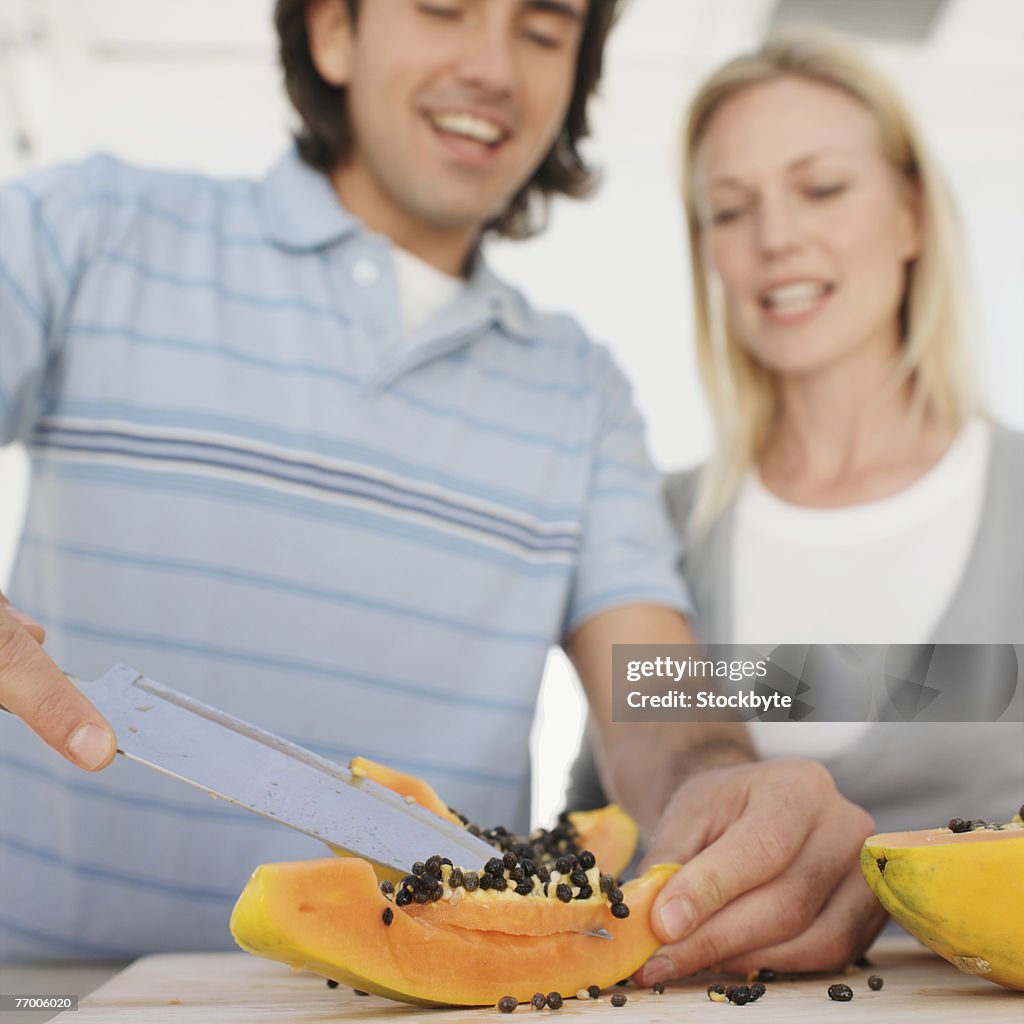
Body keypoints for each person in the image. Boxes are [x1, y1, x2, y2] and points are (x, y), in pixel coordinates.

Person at [0, 3, 876, 976]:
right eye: (442, 8)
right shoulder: (82, 229)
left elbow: (652, 699)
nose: (494, 67)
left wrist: (725, 784)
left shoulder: (582, 392)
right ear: (333, 32)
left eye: (544, 31)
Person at [568, 29, 1024, 981]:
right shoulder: (655, 532)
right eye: (730, 210)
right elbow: (602, 821)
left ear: (911, 217)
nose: (776, 237)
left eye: (821, 188)